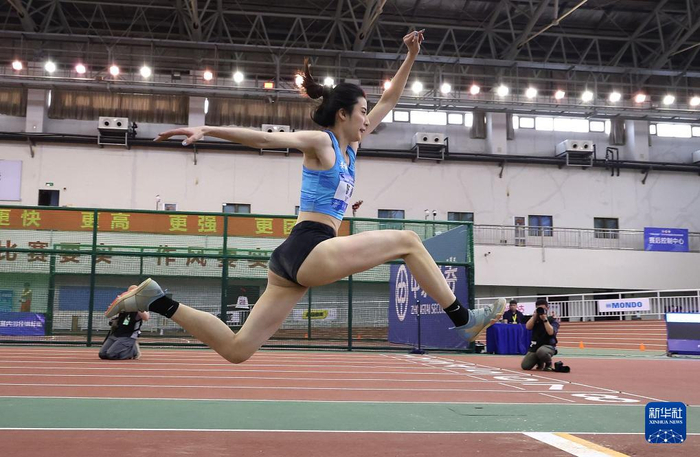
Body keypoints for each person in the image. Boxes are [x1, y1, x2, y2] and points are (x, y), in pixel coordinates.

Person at [105, 30, 506, 364]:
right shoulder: (323, 142)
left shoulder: (352, 148)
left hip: (293, 258)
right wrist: (208, 130)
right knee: (409, 241)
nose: (368, 118)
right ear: (343, 114)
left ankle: (158, 301)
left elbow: (390, 100)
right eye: (362, 111)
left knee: (237, 349)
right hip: (310, 246)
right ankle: (462, 318)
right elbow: (266, 139)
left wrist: (411, 56)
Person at [100, 288, 150, 360]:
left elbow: (146, 317)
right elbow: (109, 312)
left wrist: (136, 305)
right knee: (102, 354)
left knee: (111, 355)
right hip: (117, 333)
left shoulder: (140, 306)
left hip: (128, 335)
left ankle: (133, 352)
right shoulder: (123, 304)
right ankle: (131, 347)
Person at [521, 298, 559, 371]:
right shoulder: (535, 319)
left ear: (547, 308)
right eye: (539, 309)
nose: (541, 311)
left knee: (542, 351)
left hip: (548, 346)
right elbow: (528, 327)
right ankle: (540, 362)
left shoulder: (552, 319)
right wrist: (534, 317)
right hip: (535, 346)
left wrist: (545, 320)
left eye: (543, 309)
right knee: (525, 366)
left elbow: (551, 332)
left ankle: (548, 363)